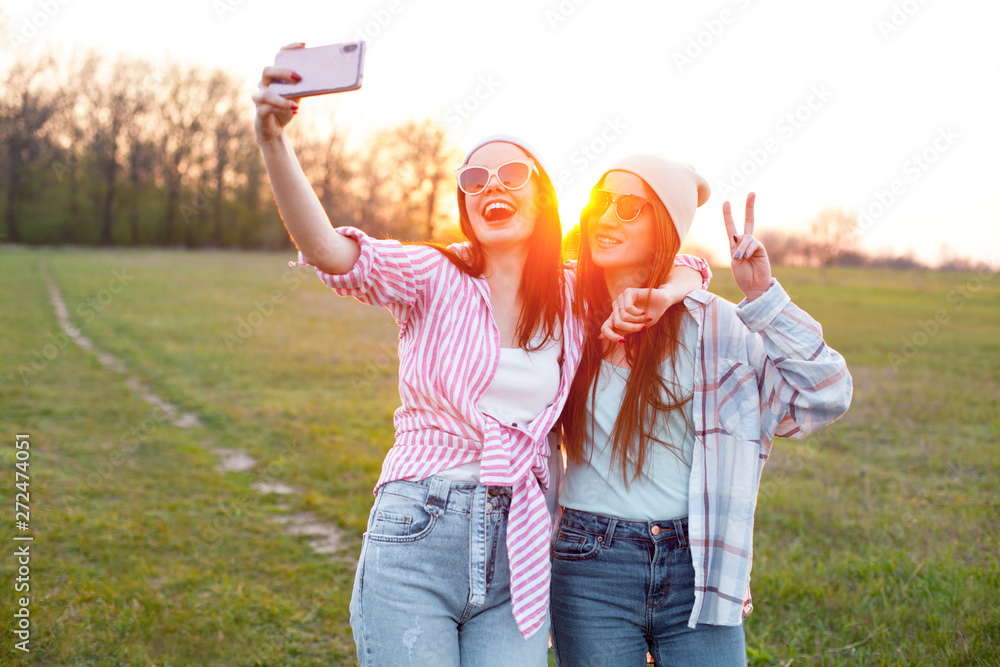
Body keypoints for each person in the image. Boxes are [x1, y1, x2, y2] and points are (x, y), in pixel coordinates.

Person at [252, 46, 712, 665]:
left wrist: (661, 297)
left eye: (512, 175)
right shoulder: (431, 275)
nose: (492, 186)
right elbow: (329, 250)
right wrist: (272, 139)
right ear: (466, 205)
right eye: (475, 179)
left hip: (518, 548)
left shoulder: (576, 293)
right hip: (420, 530)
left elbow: (690, 263)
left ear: (543, 198)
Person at [550, 155, 853, 666]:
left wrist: (763, 296)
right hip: (589, 563)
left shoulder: (718, 326)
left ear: (665, 227)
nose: (606, 219)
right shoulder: (562, 310)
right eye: (601, 202)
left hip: (698, 564)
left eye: (629, 208)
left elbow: (826, 395)